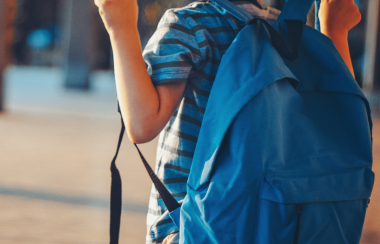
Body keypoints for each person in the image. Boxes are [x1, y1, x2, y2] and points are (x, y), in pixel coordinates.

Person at [94, 0, 361, 243]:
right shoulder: (291, 36)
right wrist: (334, 29)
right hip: (279, 225)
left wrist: (120, 24)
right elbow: (343, 124)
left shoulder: (189, 26)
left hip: (197, 229)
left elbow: (142, 124)